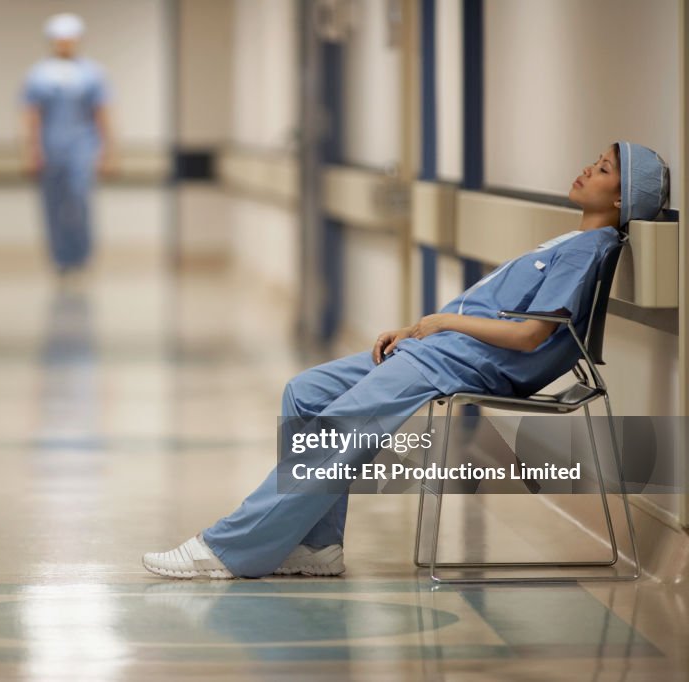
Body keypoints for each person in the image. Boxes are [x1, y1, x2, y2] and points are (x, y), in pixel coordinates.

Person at [143, 141, 670, 579]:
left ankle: (227, 549)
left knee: (338, 427)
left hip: (468, 363)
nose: (586, 168)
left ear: (623, 200)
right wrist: (418, 331)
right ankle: (317, 546)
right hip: (441, 350)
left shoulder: (587, 248)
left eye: (602, 170)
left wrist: (441, 324)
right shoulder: (573, 238)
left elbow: (532, 336)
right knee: (305, 392)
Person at [21, 13, 116, 275]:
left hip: (82, 147)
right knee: (51, 203)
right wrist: (30, 151)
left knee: (80, 200)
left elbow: (102, 114)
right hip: (49, 147)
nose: (65, 44)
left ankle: (81, 255)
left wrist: (109, 152)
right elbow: (31, 116)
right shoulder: (38, 74)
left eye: (70, 40)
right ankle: (59, 258)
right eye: (60, 40)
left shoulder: (92, 73)